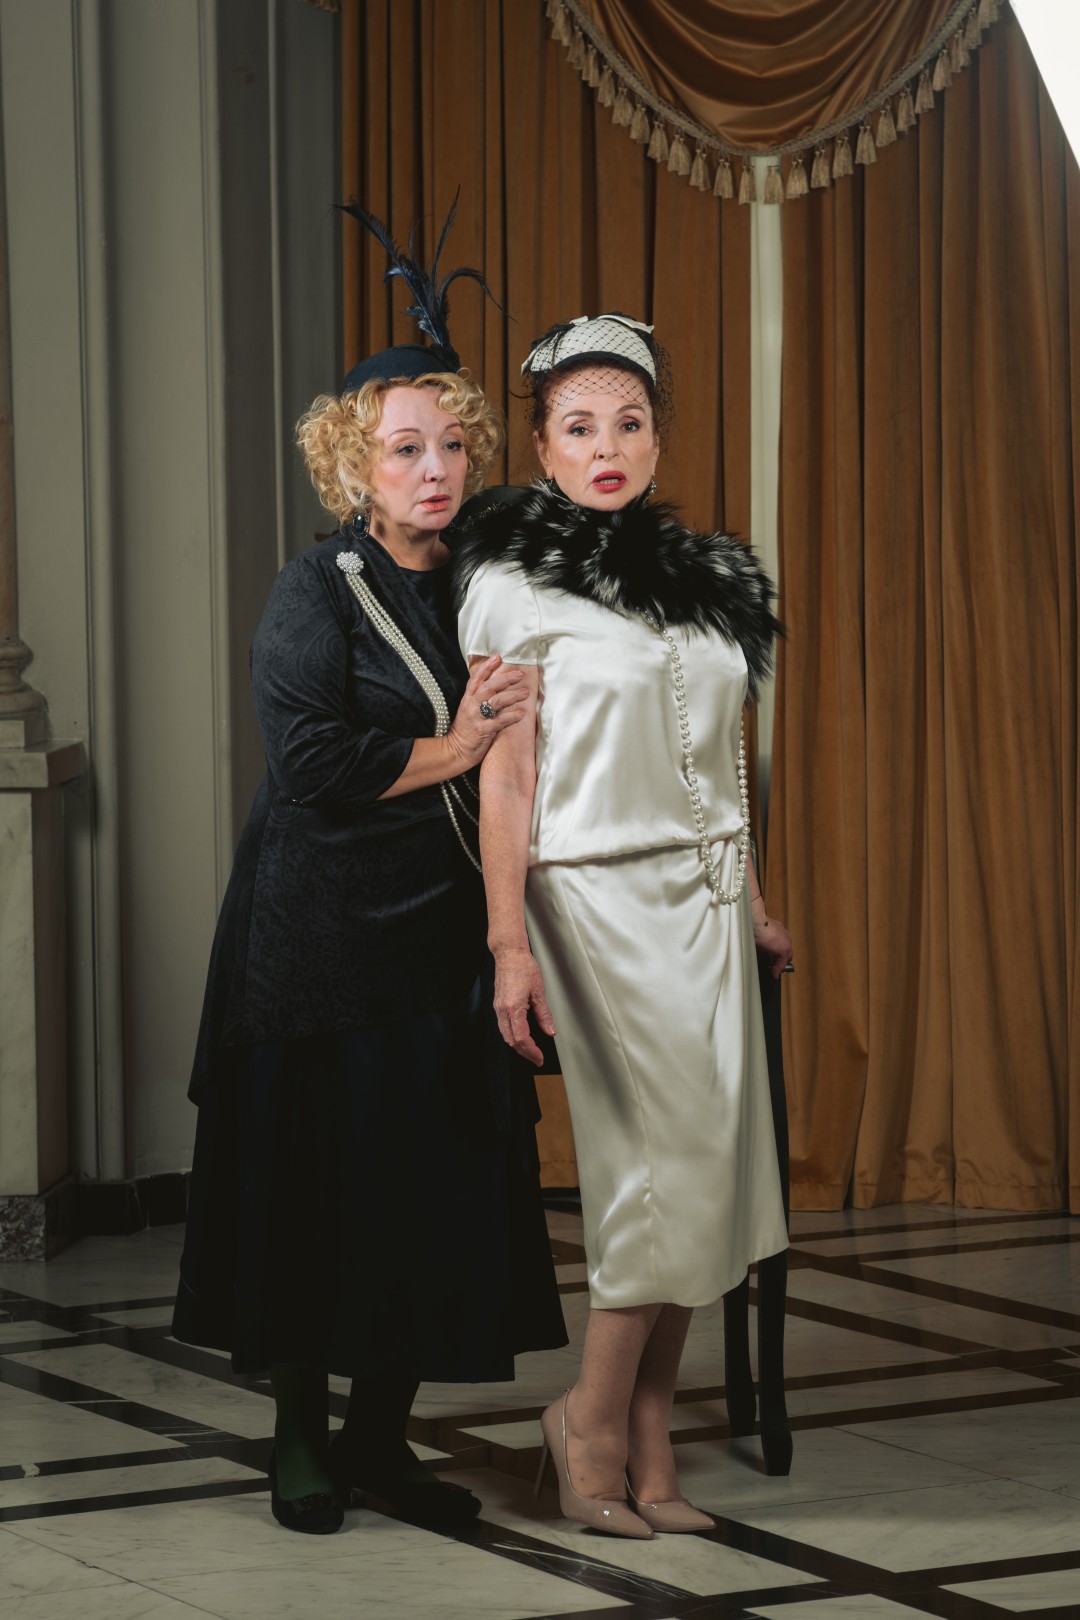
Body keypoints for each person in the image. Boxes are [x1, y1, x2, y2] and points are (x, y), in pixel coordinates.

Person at [172, 208, 566, 1536]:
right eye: (406, 448)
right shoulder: (314, 590)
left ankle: (381, 1438)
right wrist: (457, 745)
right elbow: (312, 761)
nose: (435, 469)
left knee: (428, 1191)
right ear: (356, 462)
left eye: (452, 444)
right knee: (313, 1194)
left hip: (439, 932)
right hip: (312, 935)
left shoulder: (487, 585)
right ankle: (298, 1435)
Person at [453, 313, 792, 1539]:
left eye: (629, 423)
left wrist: (752, 896)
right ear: (543, 447)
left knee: (718, 1171)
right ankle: (587, 1419)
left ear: (658, 438)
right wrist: (508, 941)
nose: (607, 447)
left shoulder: (704, 581)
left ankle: (652, 1441)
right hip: (594, 893)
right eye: (579, 426)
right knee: (664, 1163)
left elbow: (722, 754)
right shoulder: (509, 584)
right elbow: (505, 777)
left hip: (706, 896)